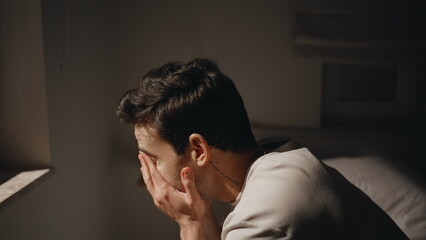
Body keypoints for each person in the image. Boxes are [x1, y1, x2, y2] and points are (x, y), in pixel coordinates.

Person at [116, 59, 408, 239]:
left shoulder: (265, 217)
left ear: (198, 150)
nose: (149, 173)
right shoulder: (281, 157)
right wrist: (201, 216)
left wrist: (189, 223)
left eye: (152, 158)